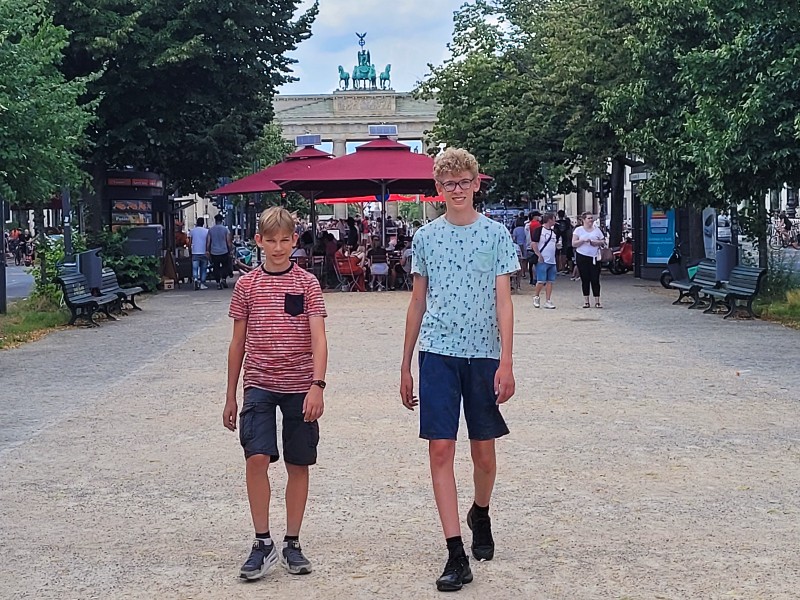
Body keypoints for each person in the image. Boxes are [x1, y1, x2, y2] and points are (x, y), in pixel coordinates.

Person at [400, 147, 518, 592]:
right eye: (448, 184)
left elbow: (504, 302)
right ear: (438, 189)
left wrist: (506, 359)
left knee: (484, 453)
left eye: (464, 182)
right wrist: (406, 364)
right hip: (438, 352)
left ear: (476, 183)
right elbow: (417, 301)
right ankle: (454, 551)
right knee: (441, 450)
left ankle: (480, 512)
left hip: (484, 353)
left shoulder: (496, 235)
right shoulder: (426, 239)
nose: (457, 190)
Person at [223, 207, 328, 581]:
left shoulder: (307, 284)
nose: (278, 247)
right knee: (256, 457)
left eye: (285, 239)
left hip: (300, 384)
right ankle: (262, 540)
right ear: (259, 242)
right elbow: (237, 343)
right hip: (259, 382)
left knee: (298, 463)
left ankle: (293, 541)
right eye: (271, 240)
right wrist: (231, 394)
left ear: (294, 241)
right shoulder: (246, 286)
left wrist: (318, 384)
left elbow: (319, 338)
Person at [572, 212, 605, 307]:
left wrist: (596, 243)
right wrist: (582, 241)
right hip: (582, 256)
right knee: (585, 279)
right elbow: (574, 243)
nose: (591, 220)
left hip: (594, 257)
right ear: (584, 219)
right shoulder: (578, 230)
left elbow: (603, 241)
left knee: (595, 279)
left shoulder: (597, 230)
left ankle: (597, 301)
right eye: (589, 218)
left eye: (592, 218)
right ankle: (586, 301)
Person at [532, 212, 558, 309]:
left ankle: (548, 300)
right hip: (543, 259)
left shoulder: (553, 232)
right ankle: (536, 296)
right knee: (541, 280)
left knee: (550, 281)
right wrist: (538, 255)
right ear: (550, 219)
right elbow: (534, 243)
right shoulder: (539, 230)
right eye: (554, 219)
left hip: (552, 259)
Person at [208, 214, 233, 289]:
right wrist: (230, 250)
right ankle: (224, 279)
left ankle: (218, 282)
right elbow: (228, 241)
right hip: (224, 251)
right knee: (225, 266)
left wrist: (207, 250)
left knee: (216, 267)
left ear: (215, 220)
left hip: (214, 252)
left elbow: (208, 241)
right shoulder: (225, 229)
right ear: (222, 220)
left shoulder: (211, 230)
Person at [189, 217, 210, 290]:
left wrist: (190, 250)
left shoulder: (192, 231)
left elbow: (190, 242)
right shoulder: (207, 231)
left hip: (195, 252)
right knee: (203, 269)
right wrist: (208, 250)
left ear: (197, 222)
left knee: (195, 268)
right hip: (204, 252)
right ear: (203, 223)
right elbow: (208, 242)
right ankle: (202, 283)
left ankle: (195, 279)